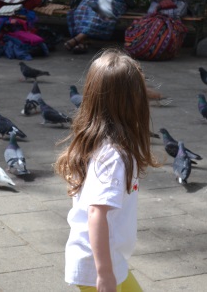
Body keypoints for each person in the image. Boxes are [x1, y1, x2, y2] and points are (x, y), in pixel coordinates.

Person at [55, 49, 160, 292]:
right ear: (133, 103)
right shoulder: (113, 156)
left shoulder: (105, 145)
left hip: (110, 259)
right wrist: (103, 275)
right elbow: (96, 213)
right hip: (98, 266)